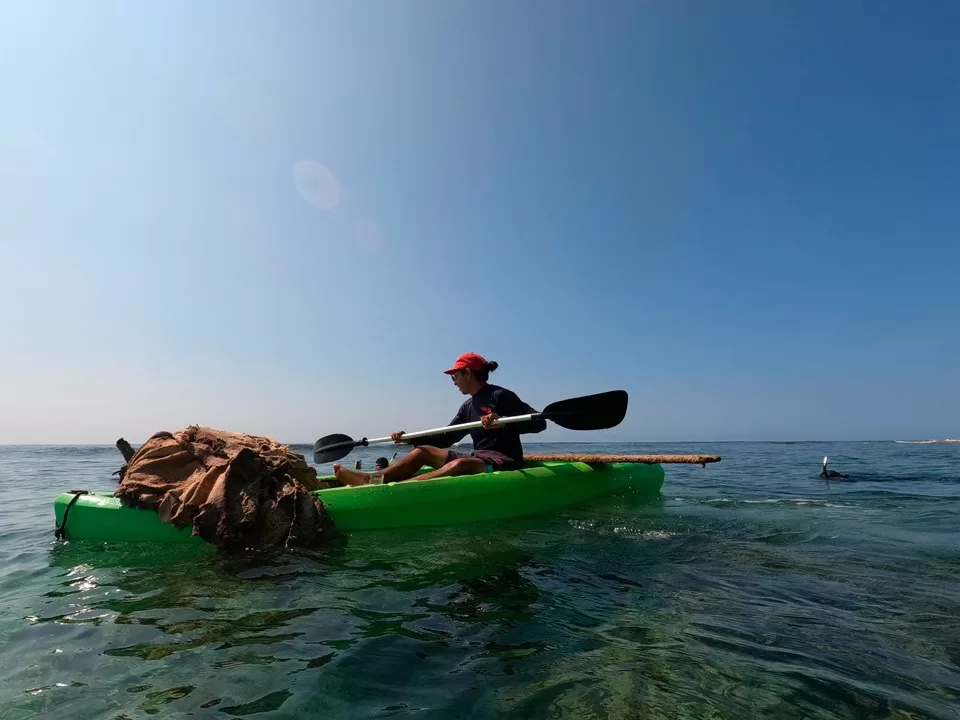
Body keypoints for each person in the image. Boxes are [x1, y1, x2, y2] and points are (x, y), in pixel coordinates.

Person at [333, 353, 546, 486]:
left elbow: (539, 423)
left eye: (455, 376)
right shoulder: (467, 406)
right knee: (423, 451)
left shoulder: (500, 395)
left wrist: (504, 419)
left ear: (468, 373)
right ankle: (373, 479)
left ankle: (399, 489)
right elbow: (445, 438)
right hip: (480, 456)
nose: (453, 382)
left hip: (504, 461)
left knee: (460, 464)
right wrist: (408, 439)